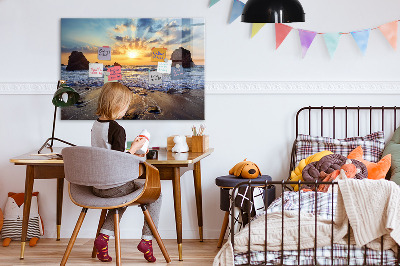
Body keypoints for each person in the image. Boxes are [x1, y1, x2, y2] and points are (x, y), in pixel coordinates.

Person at [91, 82, 161, 263]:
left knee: (121, 198)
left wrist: (130, 150)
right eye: (126, 105)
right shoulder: (117, 129)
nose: (127, 109)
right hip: (114, 186)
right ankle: (147, 240)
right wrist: (136, 148)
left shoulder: (96, 125)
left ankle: (103, 238)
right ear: (116, 104)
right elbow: (119, 161)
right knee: (156, 194)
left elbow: (108, 154)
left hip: (97, 186)